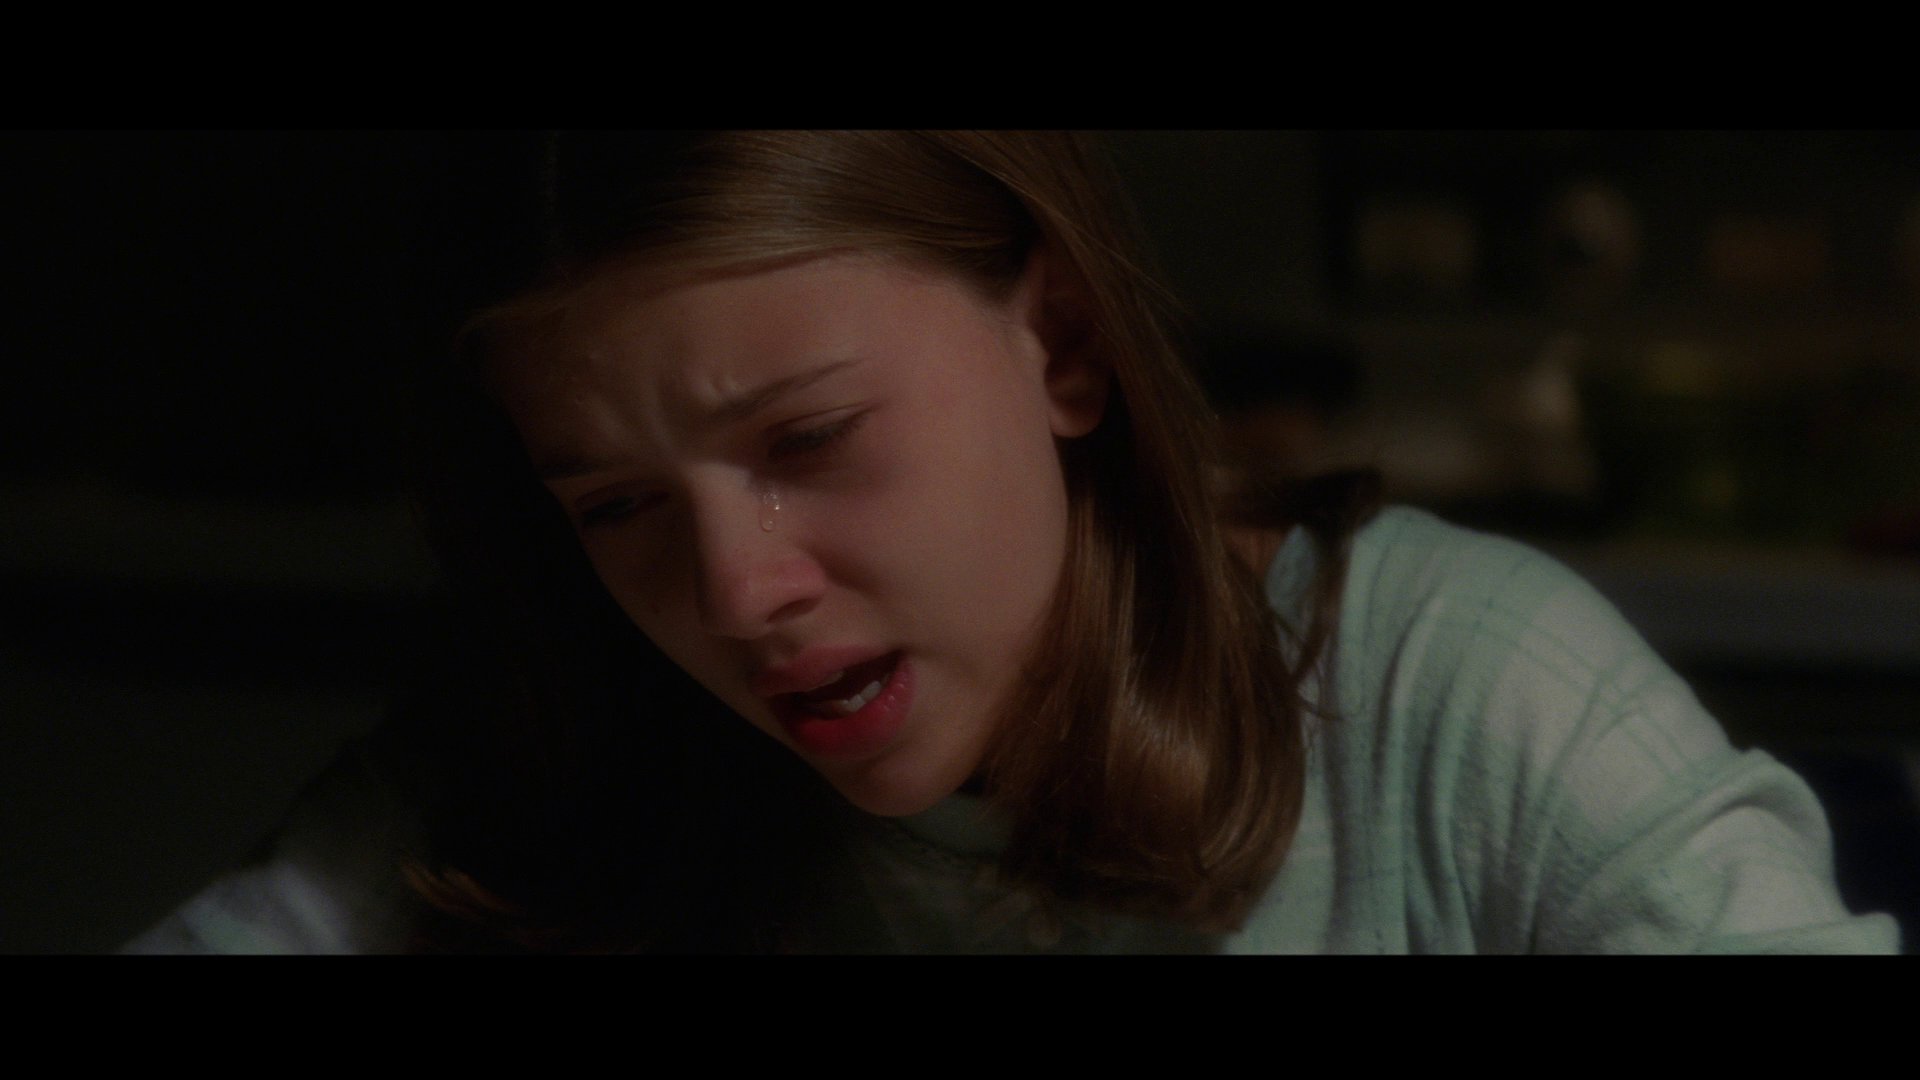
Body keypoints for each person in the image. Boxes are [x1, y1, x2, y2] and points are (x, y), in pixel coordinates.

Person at [126, 132, 1899, 953]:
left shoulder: (1458, 695)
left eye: (811, 439)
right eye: (616, 505)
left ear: (1060, 342)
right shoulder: (542, 763)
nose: (736, 596)